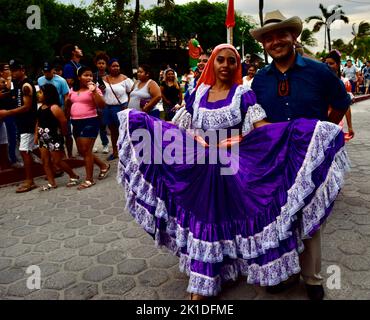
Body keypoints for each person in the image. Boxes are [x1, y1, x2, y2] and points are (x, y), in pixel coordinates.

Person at [116, 43, 349, 300]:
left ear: (237, 66)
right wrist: (195, 137)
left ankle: (225, 271)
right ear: (213, 64)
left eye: (231, 61)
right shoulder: (198, 94)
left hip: (231, 170)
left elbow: (262, 128)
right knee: (204, 220)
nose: (226, 65)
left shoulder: (243, 95)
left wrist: (235, 140)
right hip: (200, 170)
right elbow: (178, 127)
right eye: (221, 60)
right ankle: (203, 281)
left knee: (222, 219)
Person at [250, 10, 351, 300]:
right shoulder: (260, 80)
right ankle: (286, 273)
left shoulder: (318, 71)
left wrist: (325, 134)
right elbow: (254, 118)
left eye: (282, 34)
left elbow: (342, 102)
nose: (276, 41)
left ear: (293, 37)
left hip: (310, 160)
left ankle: (313, 280)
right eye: (269, 38)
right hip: (275, 162)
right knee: (280, 217)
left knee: (311, 218)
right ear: (264, 45)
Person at [65, 66, 110, 189]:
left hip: (90, 121)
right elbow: (69, 104)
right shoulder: (72, 89)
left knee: (86, 150)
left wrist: (94, 91)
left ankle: (89, 179)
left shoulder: (94, 89)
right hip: (75, 122)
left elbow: (102, 105)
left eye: (90, 75)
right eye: (86, 75)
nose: (89, 77)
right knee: (82, 151)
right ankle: (103, 166)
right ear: (79, 77)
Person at [0, 59, 39, 192]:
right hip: (22, 122)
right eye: (12, 70)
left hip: (28, 122)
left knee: (24, 151)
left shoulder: (26, 86)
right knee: (34, 148)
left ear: (22, 70)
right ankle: (55, 167)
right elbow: (12, 97)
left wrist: (7, 113)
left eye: (15, 70)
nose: (13, 72)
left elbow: (27, 107)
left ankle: (30, 181)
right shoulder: (18, 84)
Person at [35, 84, 80, 190]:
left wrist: (62, 134)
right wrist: (36, 135)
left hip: (54, 137)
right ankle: (51, 183)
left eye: (41, 92)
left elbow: (63, 121)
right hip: (43, 138)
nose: (39, 95)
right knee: (45, 161)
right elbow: (37, 122)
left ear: (48, 94)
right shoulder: (41, 108)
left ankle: (73, 176)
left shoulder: (54, 108)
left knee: (57, 161)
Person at [38, 61, 73, 159]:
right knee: (53, 133)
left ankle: (69, 154)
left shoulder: (61, 81)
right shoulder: (40, 80)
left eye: (49, 71)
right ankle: (58, 154)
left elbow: (66, 96)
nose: (47, 73)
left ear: (53, 70)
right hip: (48, 110)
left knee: (66, 132)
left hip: (59, 108)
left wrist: (66, 111)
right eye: (45, 71)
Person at [102, 58, 134, 160]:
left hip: (121, 107)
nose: (116, 68)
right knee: (113, 131)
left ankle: (126, 152)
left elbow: (132, 93)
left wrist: (127, 105)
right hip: (107, 107)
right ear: (109, 67)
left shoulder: (125, 79)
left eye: (117, 66)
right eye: (113, 66)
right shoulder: (104, 79)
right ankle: (115, 151)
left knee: (123, 131)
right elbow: (100, 93)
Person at [325, 50, 354, 141]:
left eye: (331, 63)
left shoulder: (344, 82)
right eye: (326, 63)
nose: (328, 66)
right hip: (320, 122)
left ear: (338, 65)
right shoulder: (320, 81)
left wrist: (350, 127)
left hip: (335, 122)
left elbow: (346, 106)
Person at [92, 52, 110, 154]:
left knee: (103, 125)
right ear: (96, 64)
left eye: (103, 63)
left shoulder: (109, 76)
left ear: (106, 64)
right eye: (99, 63)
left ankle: (105, 144)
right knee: (94, 125)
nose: (101, 65)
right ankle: (93, 144)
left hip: (106, 103)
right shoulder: (93, 76)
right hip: (94, 104)